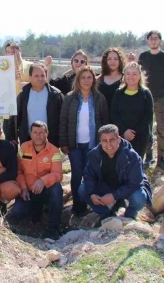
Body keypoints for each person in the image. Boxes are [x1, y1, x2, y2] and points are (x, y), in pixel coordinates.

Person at [78, 124, 153, 227]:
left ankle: (129, 216)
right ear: (100, 141)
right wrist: (91, 193)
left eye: (112, 140)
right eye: (105, 140)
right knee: (83, 189)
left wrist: (114, 196)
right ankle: (107, 215)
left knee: (140, 197)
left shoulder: (132, 156)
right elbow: (88, 175)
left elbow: (135, 183)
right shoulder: (95, 154)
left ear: (119, 139)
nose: (108, 144)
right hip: (106, 186)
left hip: (126, 187)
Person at [59, 66, 109, 217]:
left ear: (93, 79)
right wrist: (63, 142)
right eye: (83, 77)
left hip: (93, 144)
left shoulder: (100, 98)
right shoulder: (69, 98)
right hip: (75, 145)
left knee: (91, 175)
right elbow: (63, 121)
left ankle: (91, 204)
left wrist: (104, 143)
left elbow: (105, 122)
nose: (86, 80)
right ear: (78, 80)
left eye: (89, 77)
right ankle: (77, 206)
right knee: (76, 175)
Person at [11, 121, 64, 239]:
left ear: (47, 133)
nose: (38, 135)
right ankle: (36, 214)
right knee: (17, 213)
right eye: (35, 132)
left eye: (41, 132)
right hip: (28, 191)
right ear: (30, 133)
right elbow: (19, 172)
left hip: (45, 191)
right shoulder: (24, 147)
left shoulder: (54, 151)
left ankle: (53, 229)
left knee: (56, 189)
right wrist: (23, 188)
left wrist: (43, 181)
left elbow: (58, 174)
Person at [138, 30, 164, 172]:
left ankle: (161, 159)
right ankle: (148, 157)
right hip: (145, 98)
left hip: (160, 98)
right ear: (147, 41)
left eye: (156, 38)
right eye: (151, 38)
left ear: (160, 41)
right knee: (146, 129)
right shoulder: (143, 56)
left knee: (162, 129)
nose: (153, 41)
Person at [7, 63, 63, 147]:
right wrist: (11, 137)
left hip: (50, 141)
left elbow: (62, 119)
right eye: (36, 76)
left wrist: (63, 141)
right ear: (30, 77)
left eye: (42, 75)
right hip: (28, 140)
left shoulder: (55, 95)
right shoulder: (23, 95)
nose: (40, 78)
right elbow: (15, 118)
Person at [110, 62, 153, 160]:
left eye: (134, 74)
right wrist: (124, 131)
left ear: (139, 76)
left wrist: (134, 132)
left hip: (140, 137)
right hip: (121, 136)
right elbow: (114, 114)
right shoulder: (119, 93)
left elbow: (148, 116)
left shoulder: (145, 93)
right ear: (124, 76)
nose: (131, 76)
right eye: (128, 73)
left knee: (136, 165)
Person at [97, 47, 126, 114]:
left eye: (115, 59)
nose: (112, 61)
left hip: (119, 118)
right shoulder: (98, 79)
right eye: (109, 59)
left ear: (120, 61)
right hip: (101, 118)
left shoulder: (125, 79)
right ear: (105, 61)